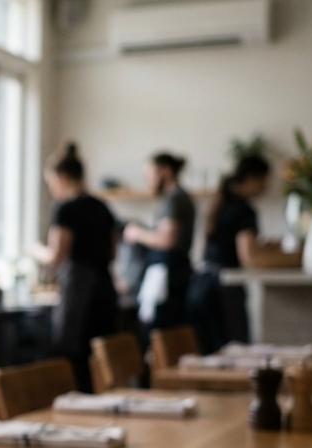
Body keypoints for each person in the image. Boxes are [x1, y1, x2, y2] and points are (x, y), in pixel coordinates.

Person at [32, 143, 120, 392]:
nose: (52, 189)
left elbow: (57, 255)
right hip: (104, 288)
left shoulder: (66, 209)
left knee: (73, 355)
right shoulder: (103, 207)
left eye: (51, 183)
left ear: (62, 177)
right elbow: (113, 251)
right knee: (99, 358)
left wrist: (34, 250)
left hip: (79, 290)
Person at [196, 155, 271, 351]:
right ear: (252, 178)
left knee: (210, 352)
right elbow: (248, 256)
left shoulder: (221, 202)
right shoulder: (243, 210)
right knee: (235, 351)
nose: (266, 187)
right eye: (264, 181)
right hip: (225, 289)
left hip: (202, 284)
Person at [124, 152, 195, 351]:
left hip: (168, 276)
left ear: (165, 170)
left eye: (150, 173)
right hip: (174, 274)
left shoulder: (174, 199)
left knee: (159, 338)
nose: (148, 179)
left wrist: (137, 233)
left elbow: (167, 239)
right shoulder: (177, 197)